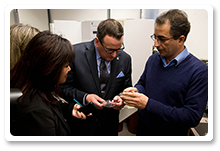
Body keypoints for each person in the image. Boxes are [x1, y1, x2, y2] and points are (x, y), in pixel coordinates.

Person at [120, 9, 208, 136]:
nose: (156, 44)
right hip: (143, 131)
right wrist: (136, 91)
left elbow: (191, 117)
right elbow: (143, 83)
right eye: (155, 37)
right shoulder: (153, 59)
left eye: (162, 39)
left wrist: (148, 104)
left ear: (180, 39)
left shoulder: (199, 71)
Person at [60, 19, 132, 136]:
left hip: (110, 125)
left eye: (118, 49)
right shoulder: (75, 54)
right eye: (110, 50)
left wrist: (121, 99)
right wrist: (85, 97)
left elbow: (126, 88)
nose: (114, 55)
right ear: (97, 41)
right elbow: (63, 88)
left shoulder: (125, 59)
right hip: (82, 125)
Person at [10, 31, 88, 136]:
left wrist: (69, 109)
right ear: (50, 68)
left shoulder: (39, 88)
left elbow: (52, 105)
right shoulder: (37, 112)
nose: (69, 69)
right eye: (66, 66)